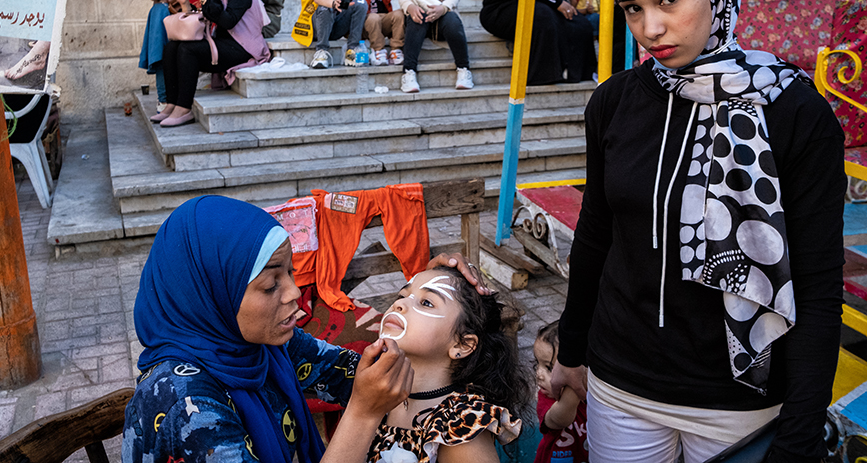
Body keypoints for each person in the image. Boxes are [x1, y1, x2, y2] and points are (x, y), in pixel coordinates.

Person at [550, 0, 844, 462]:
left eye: (668, 0)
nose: (650, 29)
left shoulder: (794, 113)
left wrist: (800, 431)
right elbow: (596, 235)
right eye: (632, 9)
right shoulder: (614, 103)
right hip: (622, 390)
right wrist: (572, 347)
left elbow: (817, 283)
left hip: (740, 404)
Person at [122, 195, 415, 463]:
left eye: (291, 272)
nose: (293, 292)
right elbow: (364, 398)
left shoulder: (261, 346)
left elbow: (344, 372)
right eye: (270, 285)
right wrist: (362, 415)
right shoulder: (188, 409)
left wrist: (429, 285)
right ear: (213, 294)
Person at [367, 267, 531, 462]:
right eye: (402, 295)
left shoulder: (459, 427)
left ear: (462, 344)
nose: (400, 304)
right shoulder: (380, 390)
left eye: (426, 302)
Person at [152, 0, 271, 127]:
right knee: (172, 47)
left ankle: (184, 108)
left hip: (243, 49)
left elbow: (228, 21)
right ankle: (172, 103)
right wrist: (185, 3)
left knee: (187, 49)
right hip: (222, 46)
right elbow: (201, 24)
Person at [533, 322, 588, 463]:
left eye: (549, 368)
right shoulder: (547, 399)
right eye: (537, 364)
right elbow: (560, 420)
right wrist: (577, 382)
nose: (539, 374)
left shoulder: (595, 396)